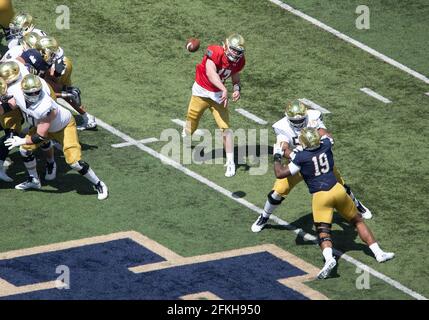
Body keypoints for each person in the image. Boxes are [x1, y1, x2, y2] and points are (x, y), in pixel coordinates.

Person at [271, 127, 394, 279]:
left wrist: (277, 156)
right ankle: (379, 253)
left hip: (320, 196)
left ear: (303, 142)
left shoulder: (301, 157)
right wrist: (318, 128)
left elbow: (280, 173)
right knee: (358, 221)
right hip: (338, 190)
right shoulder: (326, 145)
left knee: (323, 232)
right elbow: (326, 135)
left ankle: (329, 259)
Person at [251, 100, 372, 233]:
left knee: (340, 185)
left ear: (306, 115)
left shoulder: (313, 117)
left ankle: (357, 205)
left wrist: (320, 137)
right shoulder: (282, 126)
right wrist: (296, 157)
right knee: (277, 192)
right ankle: (264, 216)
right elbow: (284, 148)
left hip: (317, 160)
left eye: (301, 120)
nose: (298, 123)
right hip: (298, 163)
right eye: (295, 121)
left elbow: (325, 134)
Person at [0, 74, 108, 200]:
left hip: (64, 127)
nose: (35, 95)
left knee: (74, 162)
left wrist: (22, 140)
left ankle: (99, 184)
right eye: (31, 93)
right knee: (25, 150)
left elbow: (40, 136)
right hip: (43, 125)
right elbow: (10, 105)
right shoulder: (17, 91)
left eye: (37, 92)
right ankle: (34, 180)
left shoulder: (45, 105)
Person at [183, 33, 245, 177]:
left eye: (238, 52)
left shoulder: (239, 61)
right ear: (226, 46)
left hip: (218, 96)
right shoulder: (215, 51)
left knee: (225, 128)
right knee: (192, 121)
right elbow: (211, 73)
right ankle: (186, 133)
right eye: (234, 50)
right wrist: (224, 88)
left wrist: (236, 88)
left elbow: (235, 76)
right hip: (201, 90)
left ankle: (230, 163)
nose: (236, 54)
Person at [19, 35, 97, 130]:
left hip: (56, 66)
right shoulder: (35, 58)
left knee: (43, 96)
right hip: (54, 65)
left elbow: (47, 86)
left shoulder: (38, 57)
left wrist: (59, 79)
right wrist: (64, 92)